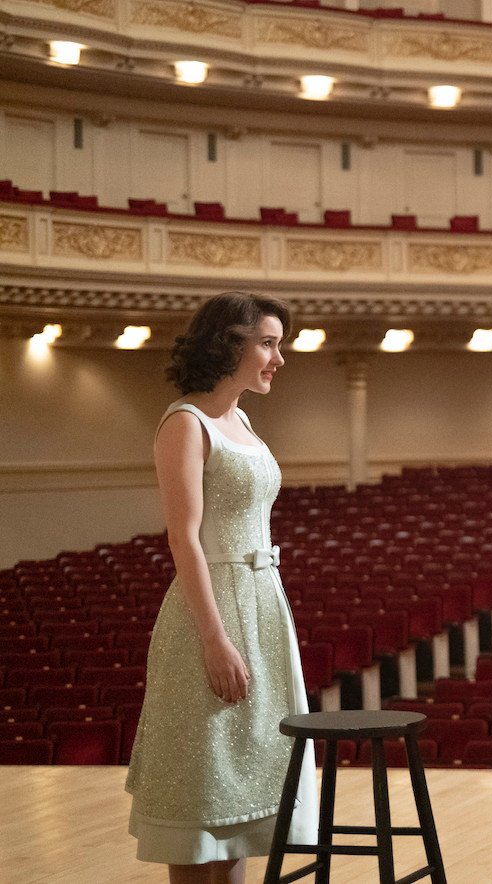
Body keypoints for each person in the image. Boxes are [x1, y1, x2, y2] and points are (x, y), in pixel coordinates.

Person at [126, 292, 317, 884]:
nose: (277, 358)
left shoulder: (241, 418)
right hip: (210, 615)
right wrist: (214, 639)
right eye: (267, 343)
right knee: (201, 787)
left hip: (261, 606)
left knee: (236, 796)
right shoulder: (185, 422)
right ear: (227, 343)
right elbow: (184, 538)